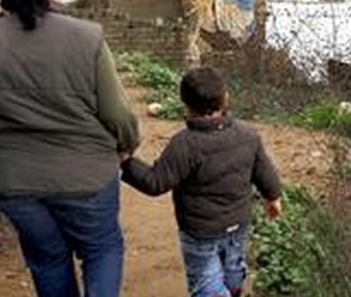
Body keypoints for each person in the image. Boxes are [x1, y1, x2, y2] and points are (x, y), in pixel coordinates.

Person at [0, 0, 139, 297]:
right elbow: (116, 111)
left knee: (47, 259)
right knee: (101, 249)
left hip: (12, 180)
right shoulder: (86, 36)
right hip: (84, 175)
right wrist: (126, 144)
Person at [121, 66, 283, 297]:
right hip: (239, 223)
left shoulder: (185, 144)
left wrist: (126, 162)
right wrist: (273, 197)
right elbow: (265, 172)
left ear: (185, 104)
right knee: (234, 271)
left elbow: (155, 182)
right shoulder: (247, 134)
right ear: (225, 98)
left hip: (201, 232)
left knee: (207, 283)